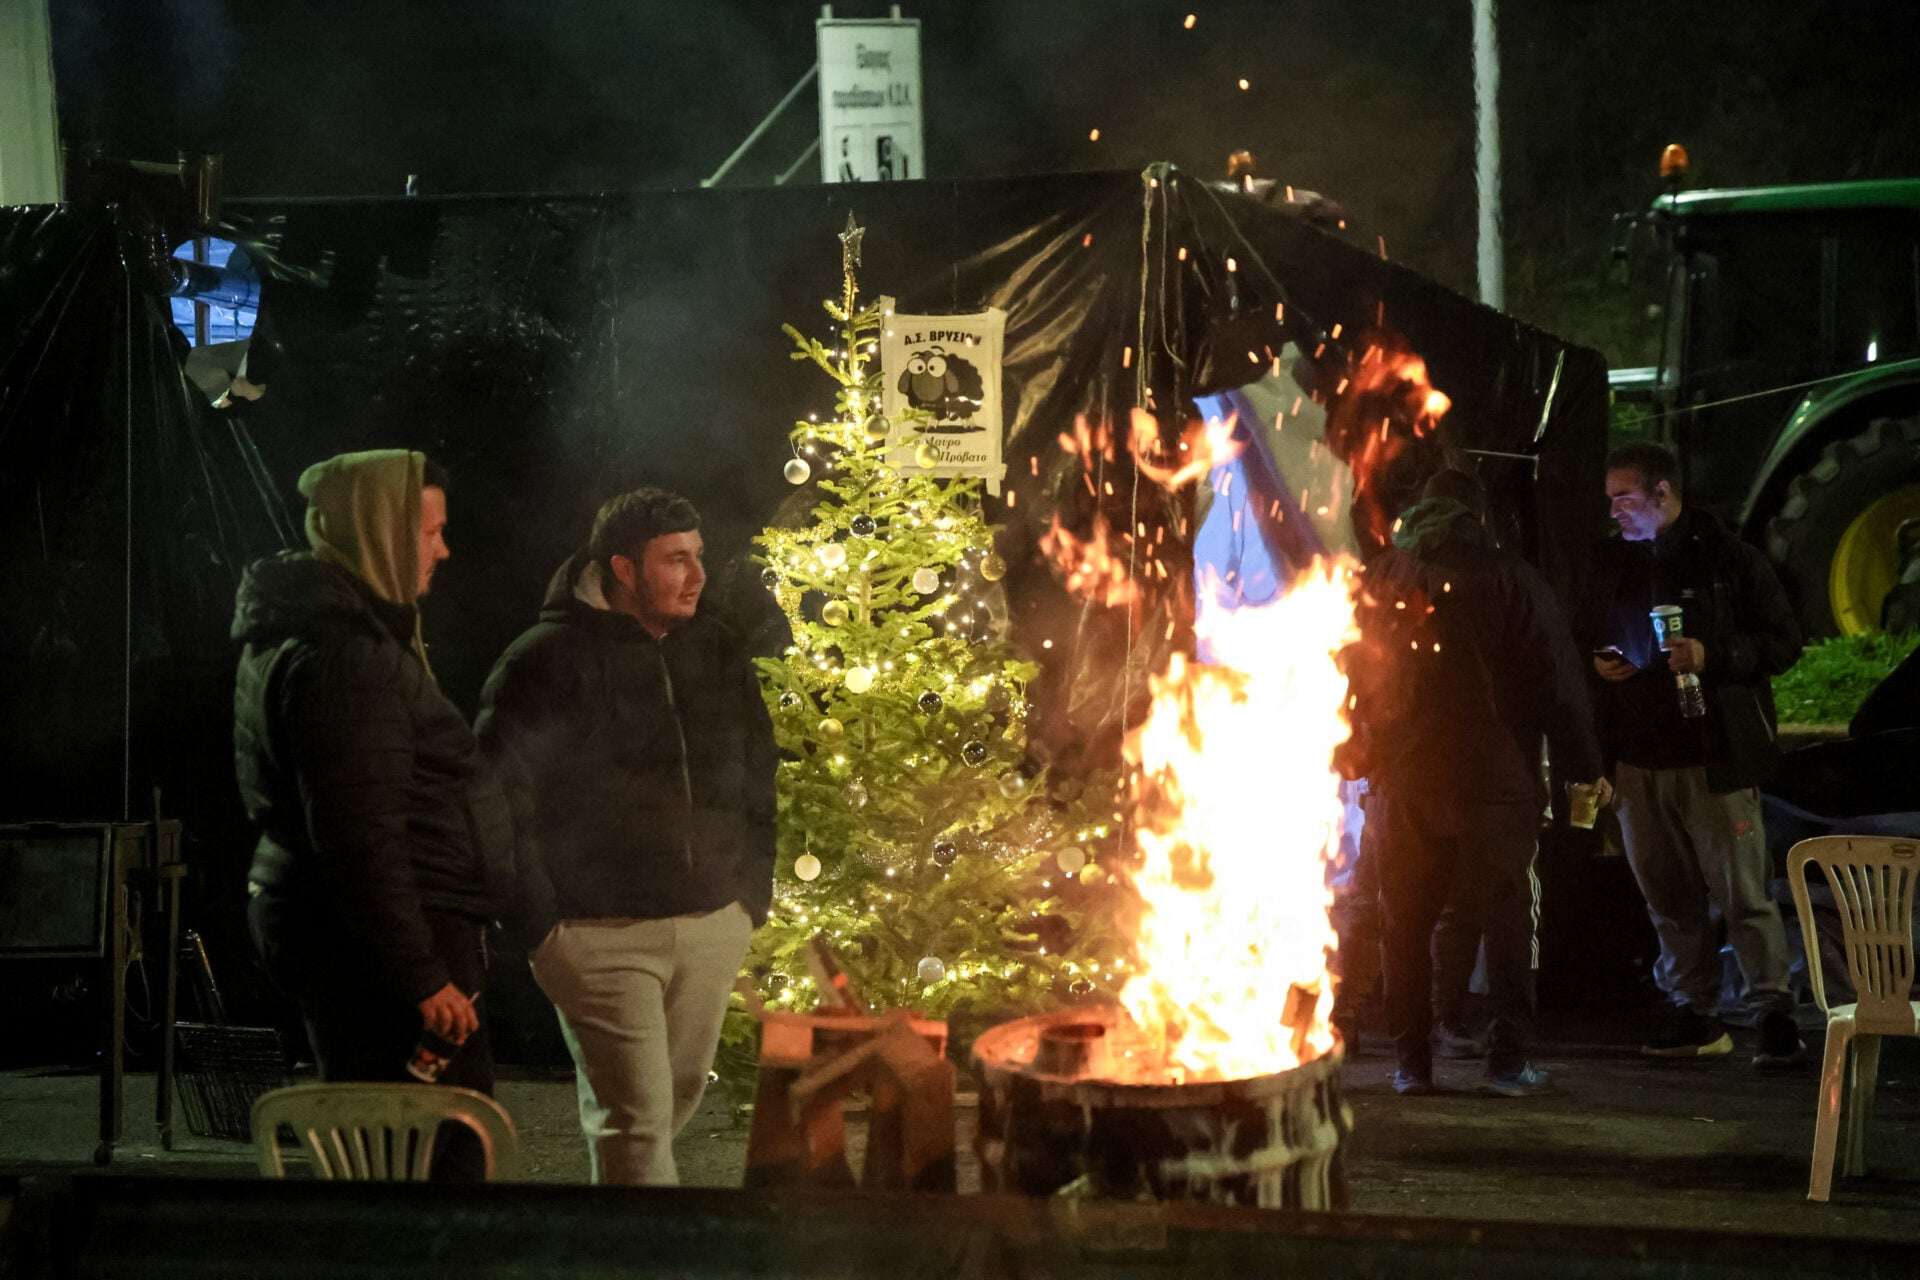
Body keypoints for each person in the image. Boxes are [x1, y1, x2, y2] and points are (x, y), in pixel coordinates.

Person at [476, 488, 775, 1185]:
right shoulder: (543, 660)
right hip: (597, 934)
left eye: (698, 556)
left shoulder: (715, 649)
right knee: (638, 1123)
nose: (697, 576)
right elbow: (496, 796)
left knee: (664, 1110)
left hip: (711, 924)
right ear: (623, 568)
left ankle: (606, 1235)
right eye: (675, 560)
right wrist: (541, 925)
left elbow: (759, 773)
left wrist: (748, 896)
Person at [234, 449, 512, 1179]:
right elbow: (359, 835)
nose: (443, 551)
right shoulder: (346, 659)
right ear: (379, 532)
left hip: (370, 938)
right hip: (377, 952)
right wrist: (422, 976)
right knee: (425, 1157)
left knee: (402, 1155)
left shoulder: (340, 634)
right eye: (429, 532)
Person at [1349, 469, 1608, 1097]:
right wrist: (1585, 767)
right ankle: (1508, 1062)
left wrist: (1359, 755)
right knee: (1506, 916)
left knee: (1403, 921)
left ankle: (1411, 1063)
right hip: (1495, 778)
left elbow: (1348, 671)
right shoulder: (1511, 577)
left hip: (1403, 781)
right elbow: (1557, 682)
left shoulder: (1380, 577)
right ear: (1478, 517)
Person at [1588, 443, 1805, 1066]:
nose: (1614, 511)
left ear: (1663, 493)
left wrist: (1713, 655)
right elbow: (1590, 629)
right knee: (1667, 897)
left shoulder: (1730, 560)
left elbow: (1784, 642)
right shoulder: (1614, 562)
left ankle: (1773, 1014)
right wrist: (1605, 663)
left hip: (1714, 757)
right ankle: (1694, 1012)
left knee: (1742, 894)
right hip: (1638, 759)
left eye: (1624, 498)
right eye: (1610, 499)